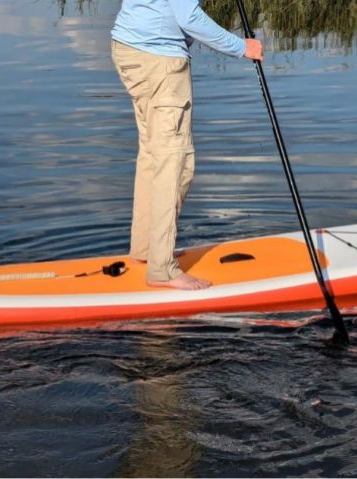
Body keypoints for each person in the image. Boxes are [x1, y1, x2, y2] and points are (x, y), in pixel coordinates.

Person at [111, 0, 264, 291]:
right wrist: (241, 47)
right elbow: (188, 16)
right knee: (174, 163)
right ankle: (162, 270)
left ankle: (146, 249)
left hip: (132, 49)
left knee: (153, 155)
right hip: (159, 61)